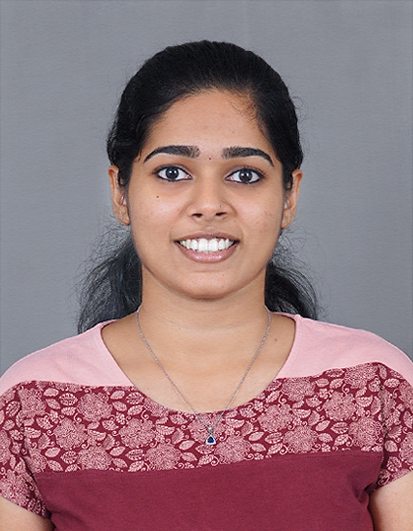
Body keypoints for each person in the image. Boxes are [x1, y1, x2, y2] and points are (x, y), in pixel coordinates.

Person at [0, 41, 412, 531]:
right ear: (121, 192)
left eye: (245, 174)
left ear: (289, 196)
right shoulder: (34, 402)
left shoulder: (373, 383)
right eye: (172, 172)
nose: (209, 204)